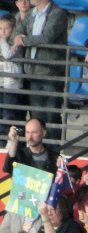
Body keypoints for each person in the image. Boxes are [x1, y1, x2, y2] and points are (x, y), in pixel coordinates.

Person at [11, 0, 67, 141]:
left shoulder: (58, 13)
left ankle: (54, 150)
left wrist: (24, 40)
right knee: (37, 115)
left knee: (51, 115)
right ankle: (39, 148)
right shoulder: (31, 13)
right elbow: (16, 32)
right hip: (33, 72)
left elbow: (47, 37)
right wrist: (18, 37)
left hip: (51, 73)